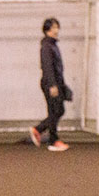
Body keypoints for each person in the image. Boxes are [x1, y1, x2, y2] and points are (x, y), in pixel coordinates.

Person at [29, 17, 71, 151]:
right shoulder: (47, 46)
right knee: (56, 110)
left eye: (57, 27)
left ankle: (41, 131)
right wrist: (52, 85)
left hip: (56, 82)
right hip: (50, 83)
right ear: (47, 30)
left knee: (57, 110)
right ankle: (52, 139)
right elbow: (47, 67)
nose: (56, 30)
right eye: (54, 27)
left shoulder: (52, 45)